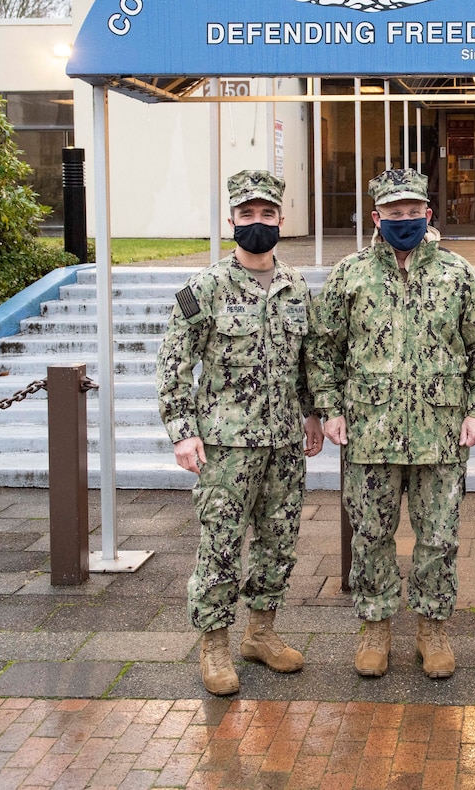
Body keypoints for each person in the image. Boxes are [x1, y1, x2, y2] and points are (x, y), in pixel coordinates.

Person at [309, 169, 475, 679]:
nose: (404, 220)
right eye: (393, 213)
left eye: (413, 212)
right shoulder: (350, 274)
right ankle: (375, 627)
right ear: (376, 218)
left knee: (438, 537)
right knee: (371, 535)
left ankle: (432, 628)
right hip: (368, 434)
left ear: (428, 214)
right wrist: (329, 409)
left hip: (440, 434)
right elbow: (322, 348)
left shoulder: (458, 273)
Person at [155, 170, 324, 697]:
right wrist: (183, 432)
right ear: (230, 221)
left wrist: (314, 414)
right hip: (226, 447)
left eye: (266, 215)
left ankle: (262, 633)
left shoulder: (296, 286)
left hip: (283, 444)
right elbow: (173, 364)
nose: (257, 223)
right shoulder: (204, 288)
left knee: (278, 544)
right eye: (246, 215)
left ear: (281, 220)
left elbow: (308, 361)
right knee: (221, 546)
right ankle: (213, 646)